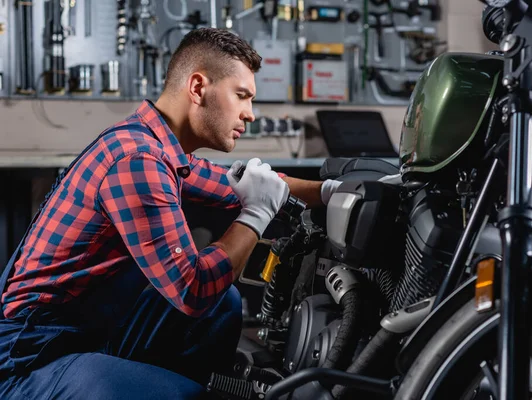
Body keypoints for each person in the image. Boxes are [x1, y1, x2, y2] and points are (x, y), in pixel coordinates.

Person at [0, 28, 341, 399]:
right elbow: (193, 290)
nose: (251, 114)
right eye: (242, 96)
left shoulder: (155, 148)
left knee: (221, 306)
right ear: (198, 88)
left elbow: (247, 184)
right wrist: (256, 214)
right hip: (29, 359)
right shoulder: (138, 161)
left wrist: (330, 192)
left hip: (85, 331)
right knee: (192, 382)